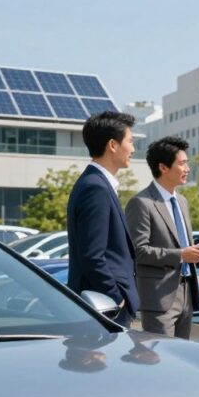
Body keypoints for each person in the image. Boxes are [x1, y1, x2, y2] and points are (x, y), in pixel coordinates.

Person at [125, 136, 199, 338]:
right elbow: (139, 251)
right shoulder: (141, 203)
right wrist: (181, 255)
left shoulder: (182, 201)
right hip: (160, 297)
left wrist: (198, 252)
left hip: (187, 291)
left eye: (187, 163)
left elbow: (182, 243)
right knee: (160, 359)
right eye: (182, 163)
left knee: (182, 358)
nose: (187, 168)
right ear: (163, 167)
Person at [66, 110, 140, 328]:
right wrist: (116, 297)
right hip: (103, 307)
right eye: (130, 141)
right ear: (113, 145)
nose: (133, 149)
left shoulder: (96, 183)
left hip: (105, 304)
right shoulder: (95, 187)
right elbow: (92, 255)